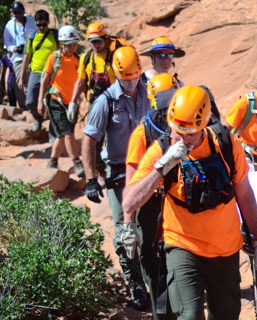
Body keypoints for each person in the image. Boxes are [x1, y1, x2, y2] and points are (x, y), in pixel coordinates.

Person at [122, 85, 257, 320]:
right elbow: (129, 202)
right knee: (189, 315)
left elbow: (244, 194)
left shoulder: (226, 145)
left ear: (204, 125)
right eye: (176, 130)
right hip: (183, 245)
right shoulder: (162, 149)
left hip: (225, 248)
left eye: (189, 133)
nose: (181, 139)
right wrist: (162, 166)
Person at [81, 46, 150, 310]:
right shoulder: (105, 101)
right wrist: (90, 178)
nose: (131, 82)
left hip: (146, 170)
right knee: (125, 233)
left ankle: (155, 283)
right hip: (118, 174)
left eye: (135, 76)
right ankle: (136, 287)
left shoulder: (148, 94)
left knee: (151, 230)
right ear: (117, 75)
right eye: (126, 78)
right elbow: (89, 139)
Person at [123, 73, 179, 319]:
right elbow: (132, 185)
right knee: (153, 261)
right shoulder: (142, 134)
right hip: (151, 205)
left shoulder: (183, 129)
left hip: (177, 203)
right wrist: (127, 225)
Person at [71, 21, 129, 176]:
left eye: (98, 41)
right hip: (95, 103)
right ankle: (100, 173)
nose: (96, 45)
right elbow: (81, 81)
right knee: (93, 141)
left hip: (115, 103)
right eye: (92, 42)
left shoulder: (115, 56)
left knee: (114, 140)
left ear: (105, 39)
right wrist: (73, 102)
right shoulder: (86, 58)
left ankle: (115, 171)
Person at [37, 25, 84, 177]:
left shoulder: (79, 59)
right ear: (62, 44)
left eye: (75, 44)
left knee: (61, 136)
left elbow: (82, 81)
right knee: (69, 133)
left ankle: (53, 160)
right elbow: (44, 79)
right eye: (69, 45)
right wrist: (40, 101)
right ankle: (77, 163)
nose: (72, 48)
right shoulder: (54, 58)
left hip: (72, 104)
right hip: (56, 101)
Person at [18, 9, 59, 132]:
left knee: (52, 102)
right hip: (35, 72)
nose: (41, 27)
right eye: (39, 25)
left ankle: (53, 131)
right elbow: (26, 56)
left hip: (52, 73)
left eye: (44, 24)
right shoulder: (32, 37)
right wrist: (21, 77)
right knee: (30, 101)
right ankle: (38, 118)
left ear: (48, 22)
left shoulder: (55, 36)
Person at [3, 1, 36, 109]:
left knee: (31, 81)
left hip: (32, 56)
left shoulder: (32, 22)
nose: (17, 15)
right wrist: (14, 48)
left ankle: (32, 105)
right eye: (15, 13)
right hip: (18, 57)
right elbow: (7, 42)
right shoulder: (9, 24)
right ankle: (24, 106)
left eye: (19, 12)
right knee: (19, 83)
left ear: (23, 11)